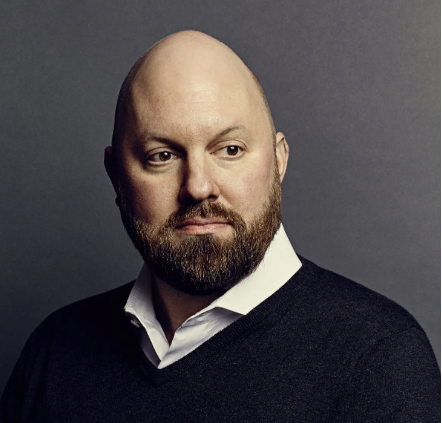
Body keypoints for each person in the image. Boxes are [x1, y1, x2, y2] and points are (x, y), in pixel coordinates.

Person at [1, 30, 440, 422]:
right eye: (162, 156)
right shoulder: (54, 351)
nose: (198, 187)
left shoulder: (379, 358)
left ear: (279, 160)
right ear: (116, 176)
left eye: (230, 150)